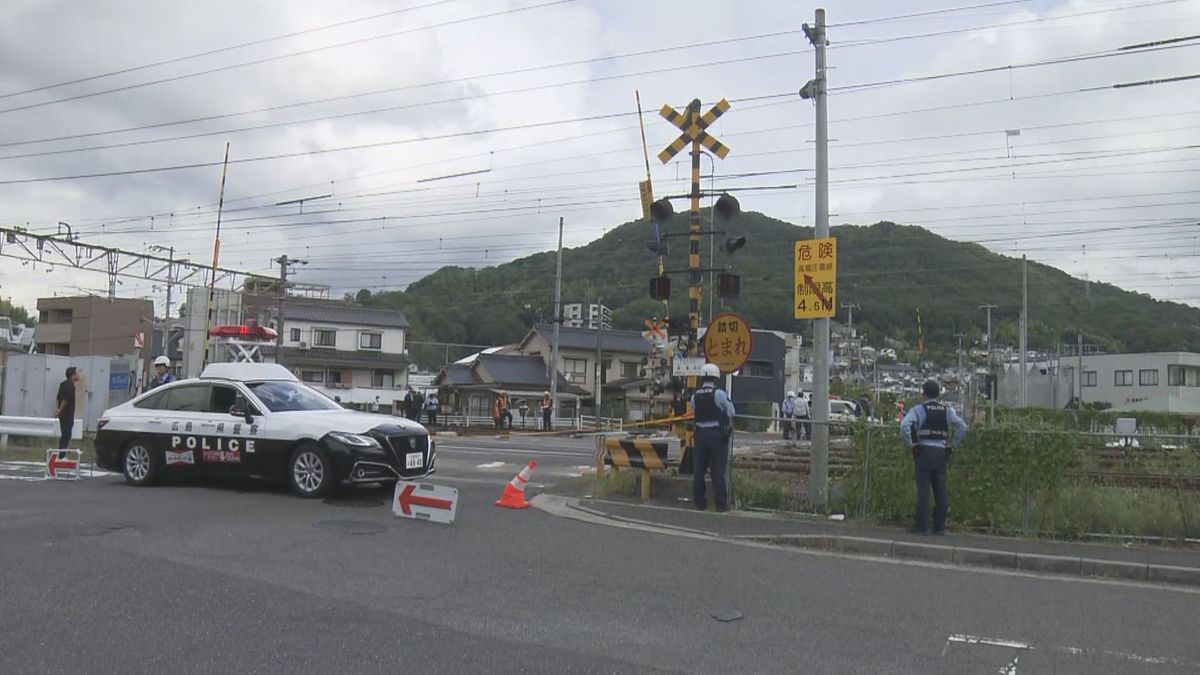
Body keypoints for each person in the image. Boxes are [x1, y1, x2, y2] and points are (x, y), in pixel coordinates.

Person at [900, 379, 968, 535]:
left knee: (924, 490)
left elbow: (904, 426)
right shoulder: (947, 410)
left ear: (923, 394)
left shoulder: (919, 409)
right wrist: (952, 445)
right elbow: (962, 427)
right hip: (940, 453)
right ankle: (939, 527)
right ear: (938, 394)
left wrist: (910, 444)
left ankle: (922, 526)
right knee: (941, 490)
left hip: (923, 451)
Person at [690, 363, 736, 512]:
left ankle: (700, 503)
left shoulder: (695, 396)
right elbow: (731, 412)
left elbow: (694, 411)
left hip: (700, 436)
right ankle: (721, 504)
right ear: (716, 378)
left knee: (699, 471)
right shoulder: (719, 394)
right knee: (718, 471)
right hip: (717, 436)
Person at [54, 367, 80, 449]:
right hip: (67, 414)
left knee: (65, 434)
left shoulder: (63, 384)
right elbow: (65, 399)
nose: (79, 375)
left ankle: (61, 454)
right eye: (77, 373)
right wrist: (59, 410)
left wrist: (58, 410)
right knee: (66, 435)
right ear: (73, 376)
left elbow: (58, 398)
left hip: (63, 415)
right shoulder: (70, 386)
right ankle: (61, 456)